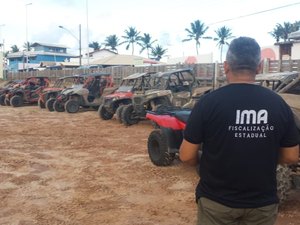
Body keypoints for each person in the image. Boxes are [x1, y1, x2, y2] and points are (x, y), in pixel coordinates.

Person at [179, 36, 299, 225]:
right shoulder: (278, 104)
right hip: (262, 204)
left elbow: (186, 156)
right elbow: (291, 157)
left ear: (226, 66)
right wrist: (263, 159)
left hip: (216, 203)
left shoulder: (208, 103)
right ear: (259, 67)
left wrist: (202, 164)